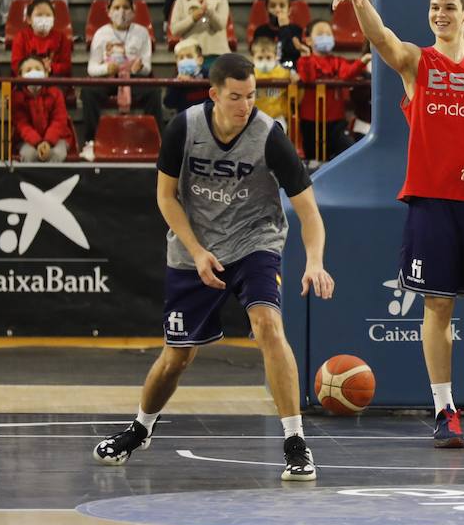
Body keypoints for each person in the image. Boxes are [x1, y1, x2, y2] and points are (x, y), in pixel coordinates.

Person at [92, 52, 332, 481]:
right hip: (194, 248)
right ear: (214, 94)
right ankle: (140, 429)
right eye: (236, 97)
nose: (245, 106)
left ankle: (295, 441)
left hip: (253, 240)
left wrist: (315, 261)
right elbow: (166, 198)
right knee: (177, 356)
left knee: (267, 326)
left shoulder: (269, 136)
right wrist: (198, 250)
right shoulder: (184, 128)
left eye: (252, 96)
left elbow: (309, 211)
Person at [333, 0, 464, 448]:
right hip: (432, 200)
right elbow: (383, 40)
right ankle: (444, 409)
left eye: (450, 7)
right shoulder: (418, 62)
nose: (441, 13)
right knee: (438, 306)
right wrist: (361, 1)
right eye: (435, 6)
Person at [80, 0, 163, 161]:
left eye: (126, 7)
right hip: (108, 77)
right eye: (116, 8)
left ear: (133, 11)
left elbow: (147, 67)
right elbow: (92, 67)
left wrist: (139, 68)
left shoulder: (142, 33)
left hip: (132, 77)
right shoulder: (101, 33)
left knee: (153, 92)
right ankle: (91, 142)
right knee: (88, 92)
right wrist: (106, 68)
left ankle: (155, 140)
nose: (121, 12)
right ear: (108, 11)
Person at [291, 20, 369, 162]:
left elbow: (347, 73)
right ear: (308, 40)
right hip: (311, 120)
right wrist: (306, 56)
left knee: (348, 152)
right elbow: (308, 77)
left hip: (336, 121)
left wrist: (363, 60)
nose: (325, 36)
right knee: (313, 160)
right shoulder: (304, 61)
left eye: (329, 34)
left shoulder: (338, 61)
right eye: (320, 34)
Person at [12, 55, 69, 162]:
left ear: (46, 73)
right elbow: (22, 125)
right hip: (27, 141)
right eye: (28, 70)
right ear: (19, 76)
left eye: (38, 69)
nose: (33, 72)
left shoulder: (56, 93)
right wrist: (37, 142)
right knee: (29, 154)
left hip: (57, 139)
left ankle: (53, 179)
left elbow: (59, 121)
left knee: (57, 153)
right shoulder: (16, 97)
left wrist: (48, 142)